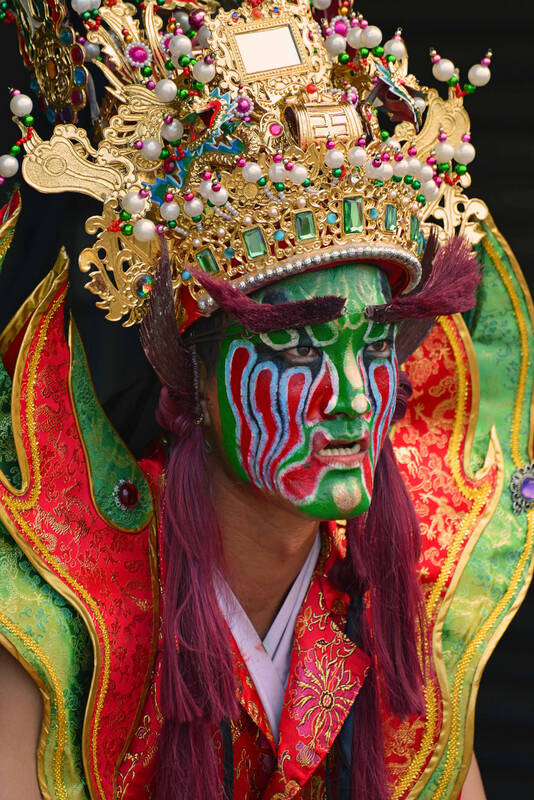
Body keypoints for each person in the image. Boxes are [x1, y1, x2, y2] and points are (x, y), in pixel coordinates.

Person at [0, 1, 532, 799]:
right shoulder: (66, 615)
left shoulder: (408, 604)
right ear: (192, 377)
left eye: (375, 347)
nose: (354, 398)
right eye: (292, 346)